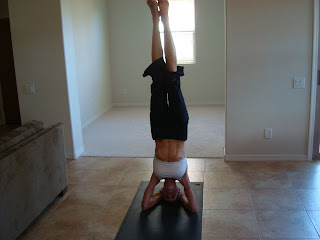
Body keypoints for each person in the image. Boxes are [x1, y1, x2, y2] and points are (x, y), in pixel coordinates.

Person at [141, 0, 197, 213]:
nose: (170, 195)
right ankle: (166, 17)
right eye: (174, 196)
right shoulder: (183, 178)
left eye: (167, 196)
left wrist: (156, 198)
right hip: (179, 128)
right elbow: (192, 209)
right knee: (172, 77)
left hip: (159, 130)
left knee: (157, 75)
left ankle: (155, 19)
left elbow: (145, 205)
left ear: (162, 192)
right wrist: (183, 195)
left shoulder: (157, 177)